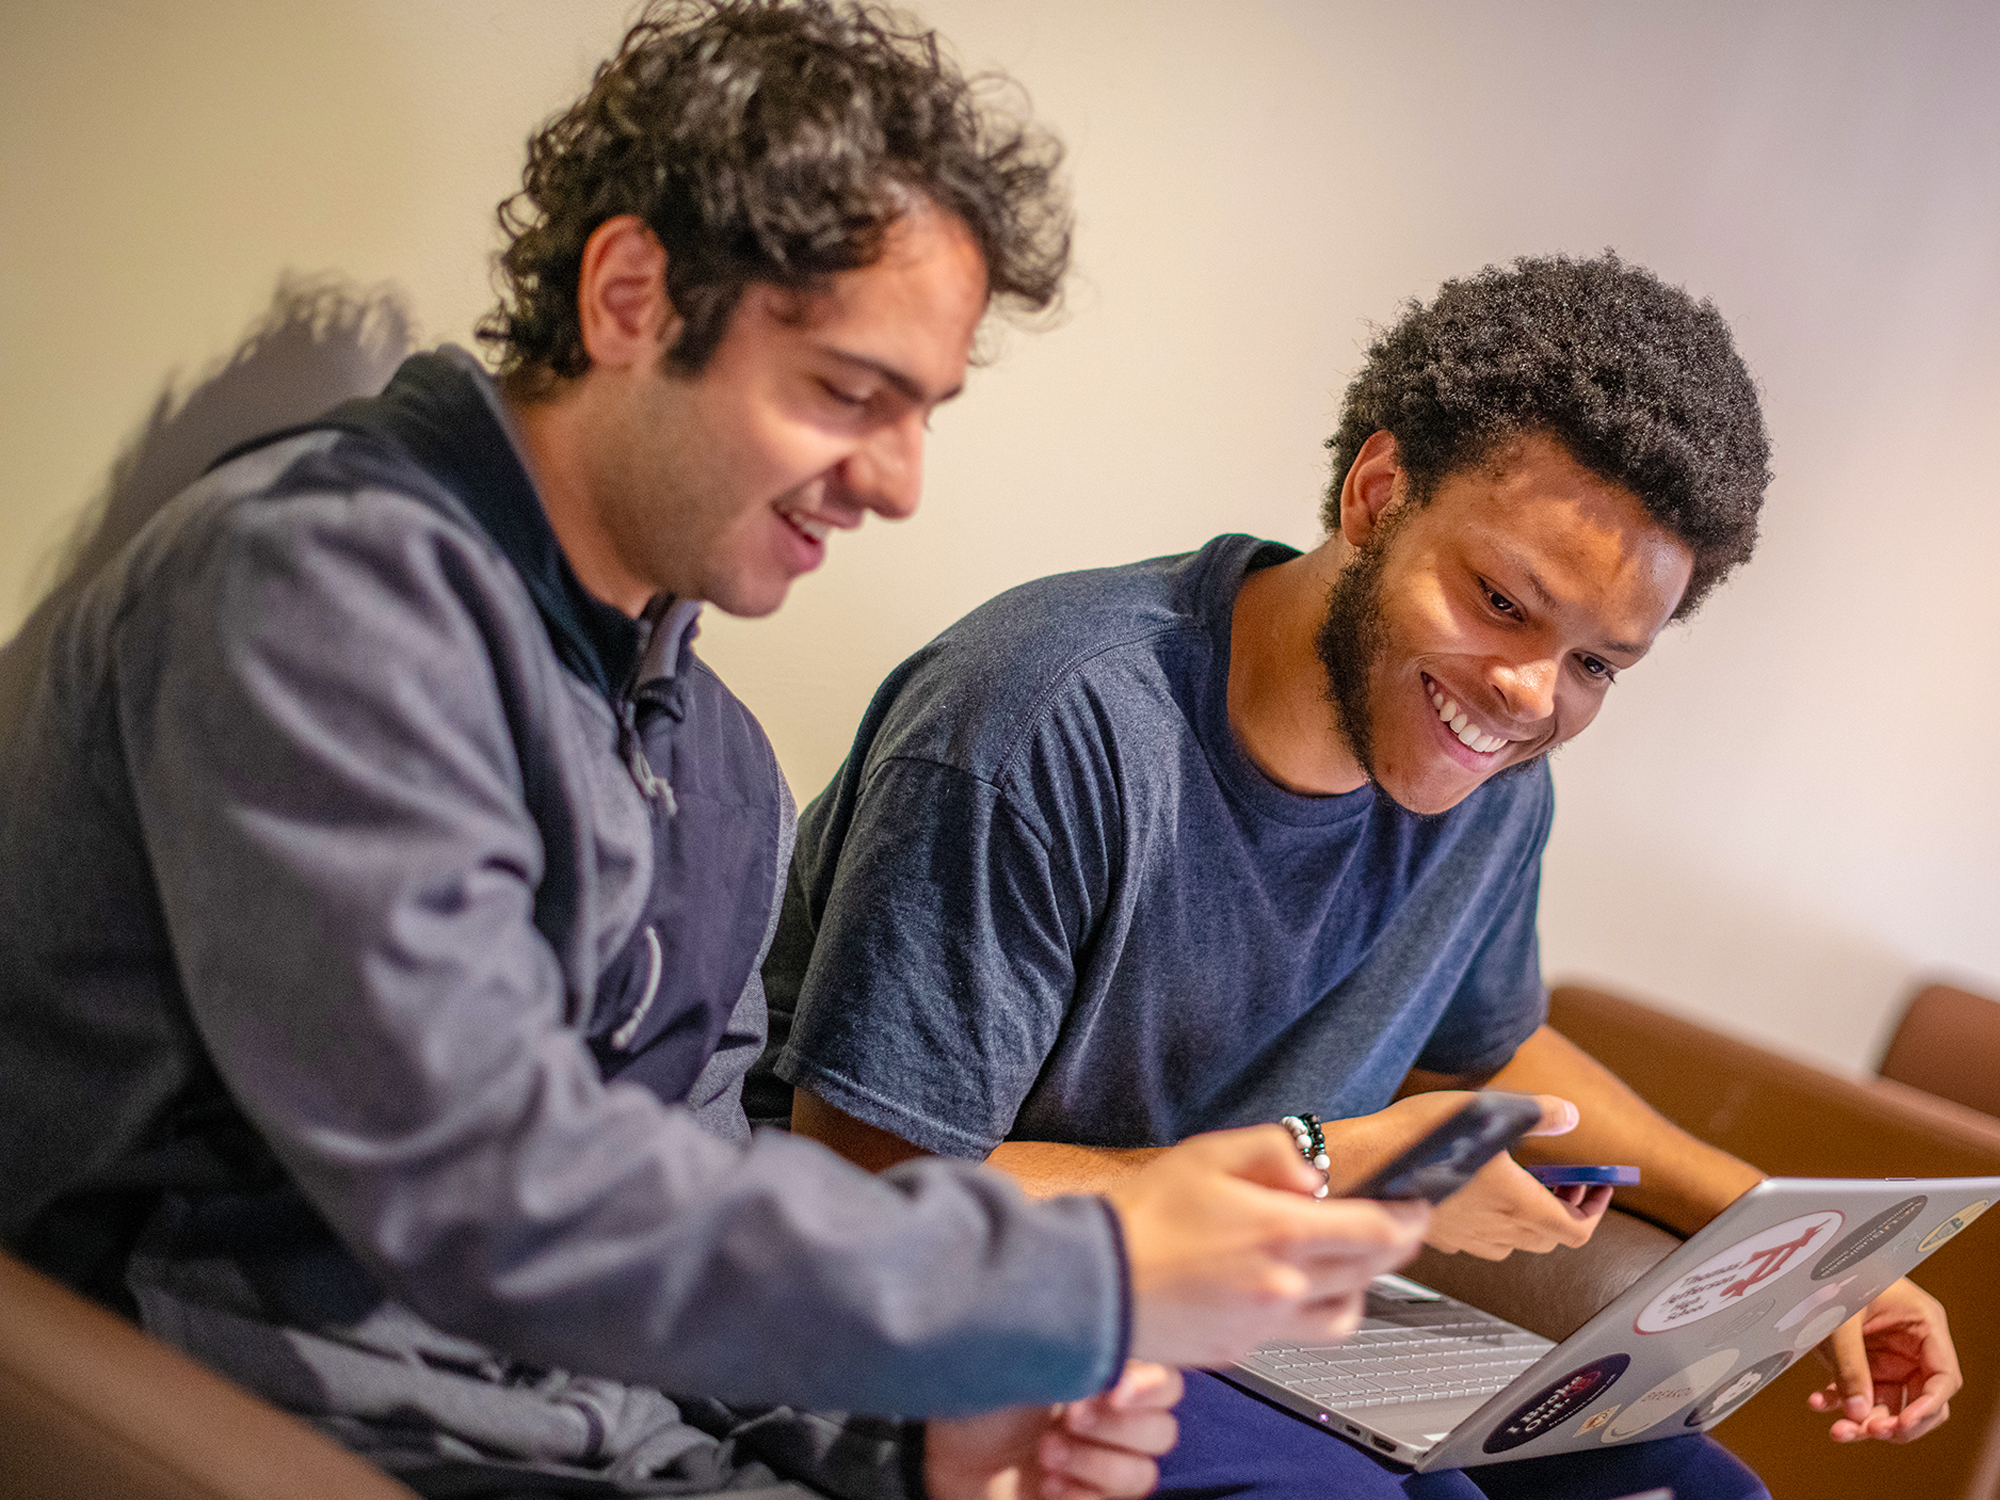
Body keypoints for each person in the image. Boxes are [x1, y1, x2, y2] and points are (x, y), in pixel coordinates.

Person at [0, 5, 1442, 1497]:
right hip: (263, 1431)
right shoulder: (319, 595)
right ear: (630, 294)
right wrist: (1076, 1276)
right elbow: (500, 1192)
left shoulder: (717, 762)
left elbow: (701, 1190)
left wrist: (921, 1436)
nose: (895, 482)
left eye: (922, 414)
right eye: (844, 393)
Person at [755, 253, 1965, 1499]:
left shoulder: (1491, 782)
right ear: (1377, 495)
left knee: (1703, 1494)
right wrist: (1339, 1168)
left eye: (1597, 666)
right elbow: (873, 1187)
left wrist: (1800, 1245)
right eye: (1500, 600)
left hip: (1251, 1302)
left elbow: (1479, 1053)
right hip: (973, 1301)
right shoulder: (1043, 719)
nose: (1527, 697)